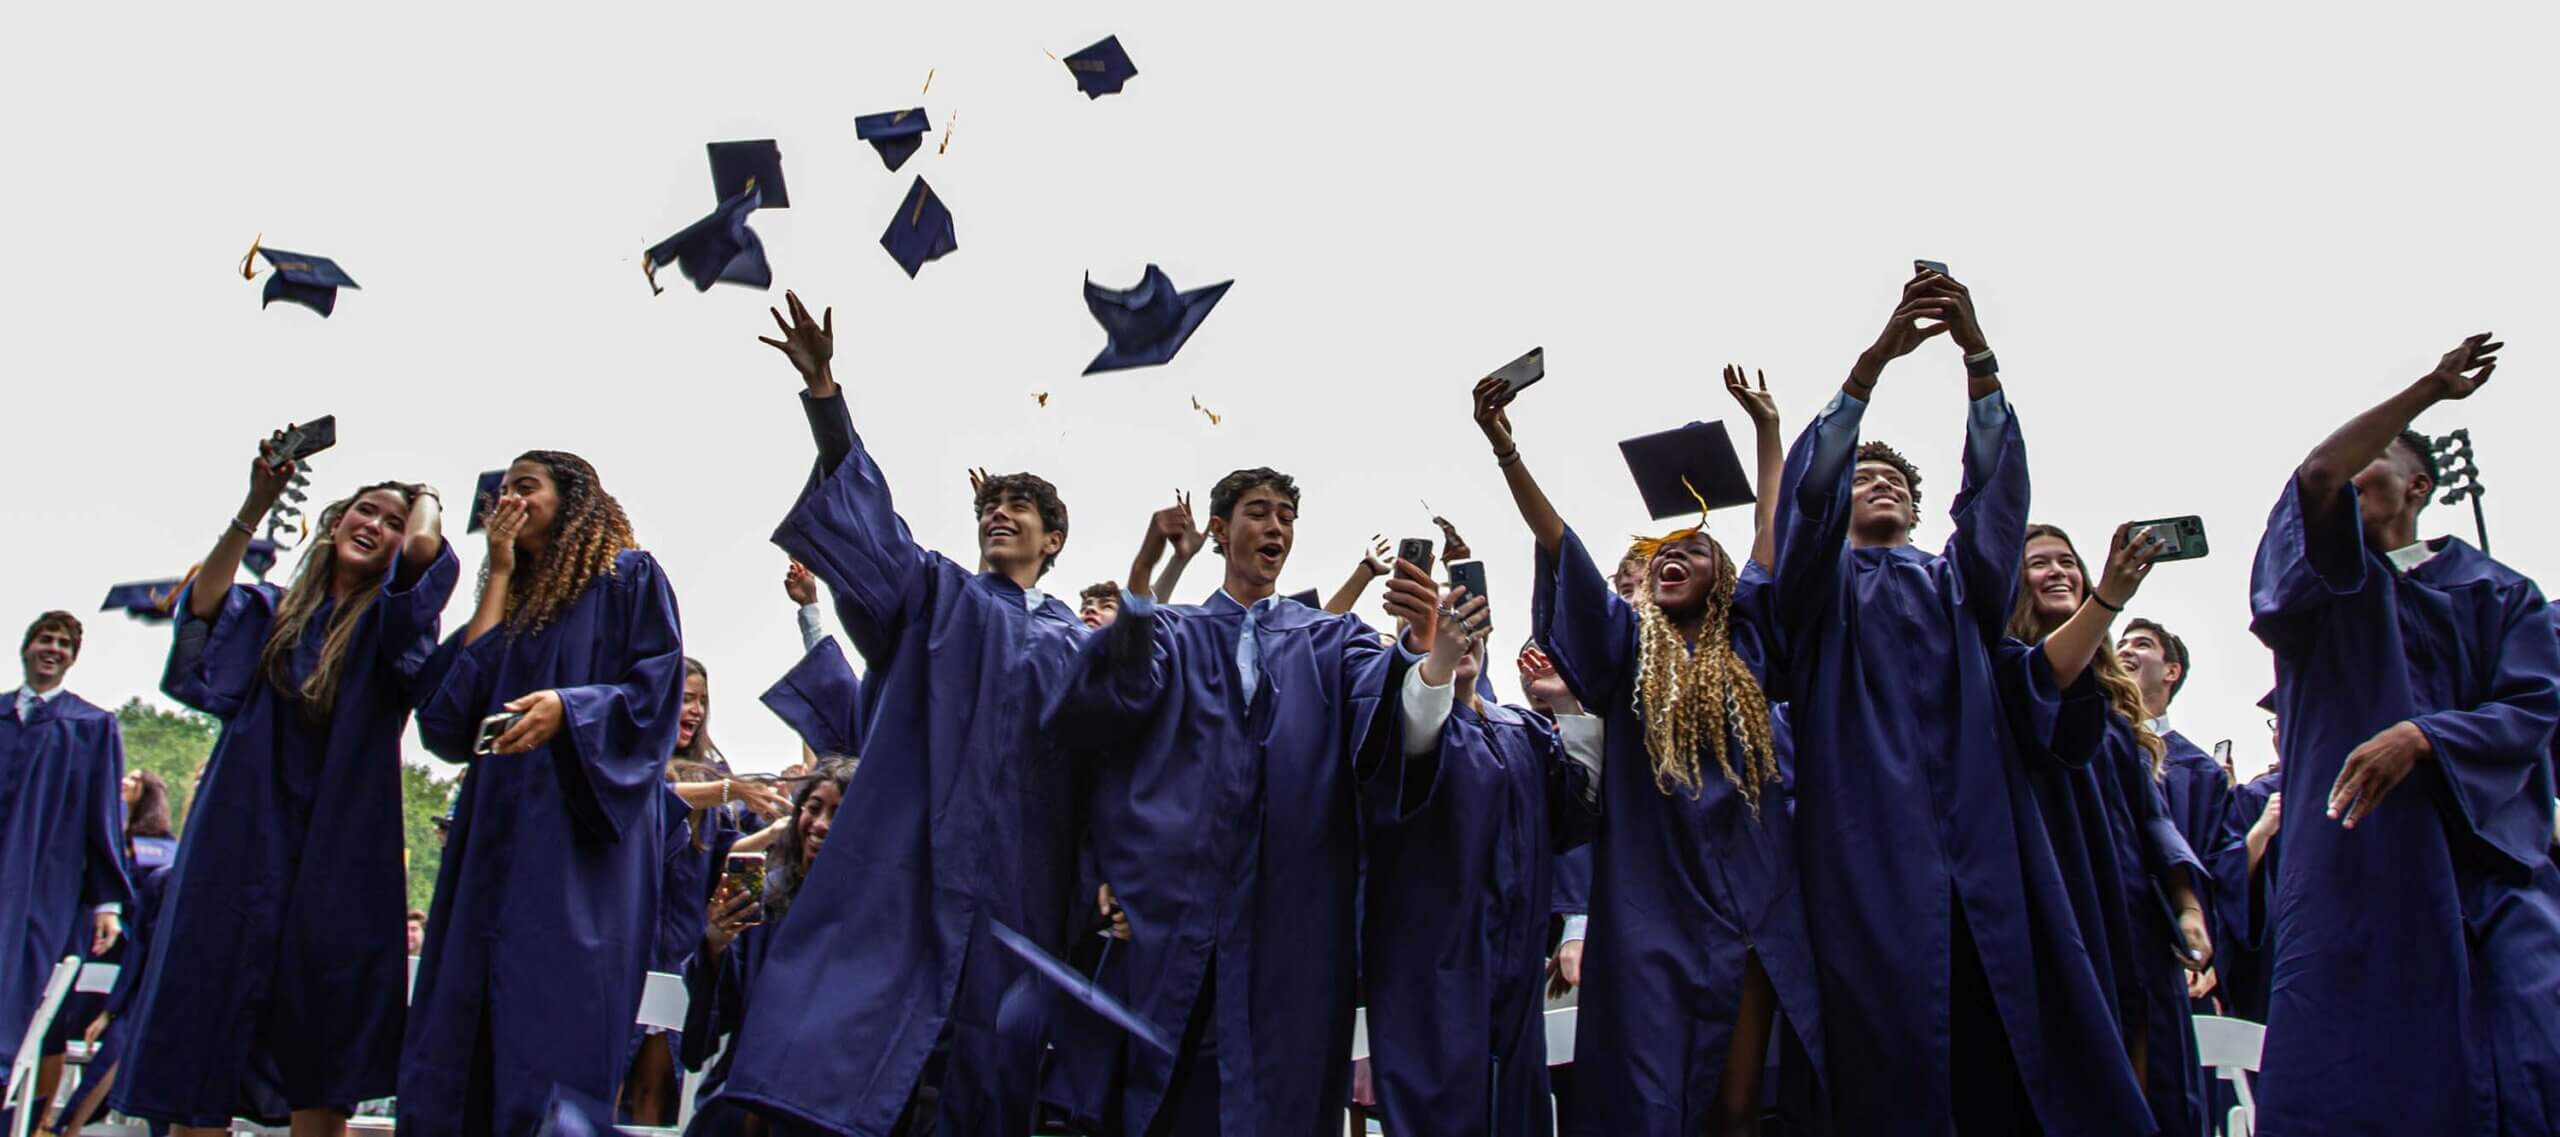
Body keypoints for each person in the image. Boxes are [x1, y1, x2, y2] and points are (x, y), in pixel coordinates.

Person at [1766, 269, 2149, 1136]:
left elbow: (1996, 502)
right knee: (1893, 1048)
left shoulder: (1958, 589)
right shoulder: (1817, 594)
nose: (1882, 484)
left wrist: (1979, 358)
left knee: (2005, 1038)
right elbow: (1807, 497)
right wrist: (1873, 365)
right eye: (1865, 477)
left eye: (1897, 480)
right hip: (1866, 849)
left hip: (1984, 839)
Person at [709, 291, 1091, 1137]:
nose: (998, 514)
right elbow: (874, 532)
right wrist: (825, 396)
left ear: (1053, 538)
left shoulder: (1080, 643)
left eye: (1018, 508)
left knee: (993, 1081)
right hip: (916, 869)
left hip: (1023, 885)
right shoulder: (941, 597)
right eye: (990, 505)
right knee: (882, 1070)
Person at [1040, 469, 1444, 1137]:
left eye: (1286, 515)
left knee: (1280, 1097)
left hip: (1289, 925)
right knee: (1169, 1096)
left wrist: (1420, 648)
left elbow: (1392, 727)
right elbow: (1108, 712)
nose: (1277, 526)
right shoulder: (1174, 632)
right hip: (1177, 920)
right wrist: (1142, 574)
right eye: (1259, 512)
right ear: (1221, 532)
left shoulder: (1330, 641)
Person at [1481, 364, 1822, 1136]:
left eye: (1693, 553)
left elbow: (1770, 537)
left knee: (1737, 1104)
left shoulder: (1749, 651)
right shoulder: (1628, 652)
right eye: (1662, 554)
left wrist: (1769, 432)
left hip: (1754, 900)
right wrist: (1507, 452)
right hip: (1653, 901)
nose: (1673, 557)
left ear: (1723, 582)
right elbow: (1560, 544)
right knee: (1646, 1103)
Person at [2246, 332, 2560, 1133]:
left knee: (2525, 1061)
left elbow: (2530, 707)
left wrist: (2423, 738)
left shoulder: (2500, 594)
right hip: (2358, 878)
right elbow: (2316, 475)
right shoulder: (2325, 591)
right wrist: (2426, 387)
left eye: (2375, 460)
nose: (2350, 475)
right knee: (2347, 1084)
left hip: (2484, 874)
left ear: (2418, 483)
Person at [114, 431, 456, 1137]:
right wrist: (256, 501)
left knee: (323, 1042)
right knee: (206, 1024)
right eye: (366, 510)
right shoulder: (272, 611)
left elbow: (425, 551)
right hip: (242, 839)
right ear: (333, 522)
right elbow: (203, 614)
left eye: (394, 522)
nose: (380, 526)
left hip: (340, 850)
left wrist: (427, 500)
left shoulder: (390, 627)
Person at [399, 448, 686, 1136]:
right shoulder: (514, 600)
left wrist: (571, 708)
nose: (509, 498)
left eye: (527, 486)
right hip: (489, 843)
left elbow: (655, 698)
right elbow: (447, 719)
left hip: (577, 845)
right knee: (457, 1038)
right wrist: (497, 574)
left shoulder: (627, 576)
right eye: (502, 490)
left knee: (550, 1036)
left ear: (575, 500)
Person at [1362, 588, 1599, 1137]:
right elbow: (1412, 744)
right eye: (1440, 623)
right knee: (1443, 1112)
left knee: (1516, 1111)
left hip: (1514, 970)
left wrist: (1565, 702)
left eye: (1466, 622)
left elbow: (1583, 805)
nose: (1457, 633)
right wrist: (1435, 663)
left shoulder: (1524, 731)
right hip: (1435, 971)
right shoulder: (1403, 723)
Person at [2007, 523, 2215, 1136]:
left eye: (2067, 561)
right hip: (2059, 905)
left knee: (2153, 1074)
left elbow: (2151, 815)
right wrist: (2109, 599)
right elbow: (2046, 681)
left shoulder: (2118, 704)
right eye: (2038, 563)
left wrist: (2185, 904)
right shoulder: (1998, 672)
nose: (2058, 571)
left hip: (2131, 909)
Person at [679, 756, 854, 1137]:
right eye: (813, 808)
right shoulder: (769, 893)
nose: (821, 825)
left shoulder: (868, 916)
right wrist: (716, 944)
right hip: (747, 1089)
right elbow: (723, 1010)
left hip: (826, 1098)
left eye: (839, 813)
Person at [1, 610, 130, 1105]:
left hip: (44, 891)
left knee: (24, 999)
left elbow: (103, 820)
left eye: (62, 644)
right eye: (44, 639)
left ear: (73, 658)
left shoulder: (91, 726)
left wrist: (108, 905)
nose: (52, 649)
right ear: (26, 647)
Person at [2116, 616, 2234, 1010]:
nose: (2126, 649)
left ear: (2171, 672)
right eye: (2123, 643)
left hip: (2173, 947)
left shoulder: (2200, 773)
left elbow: (2220, 871)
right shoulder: (2090, 743)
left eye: (2142, 644)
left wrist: (2211, 952)